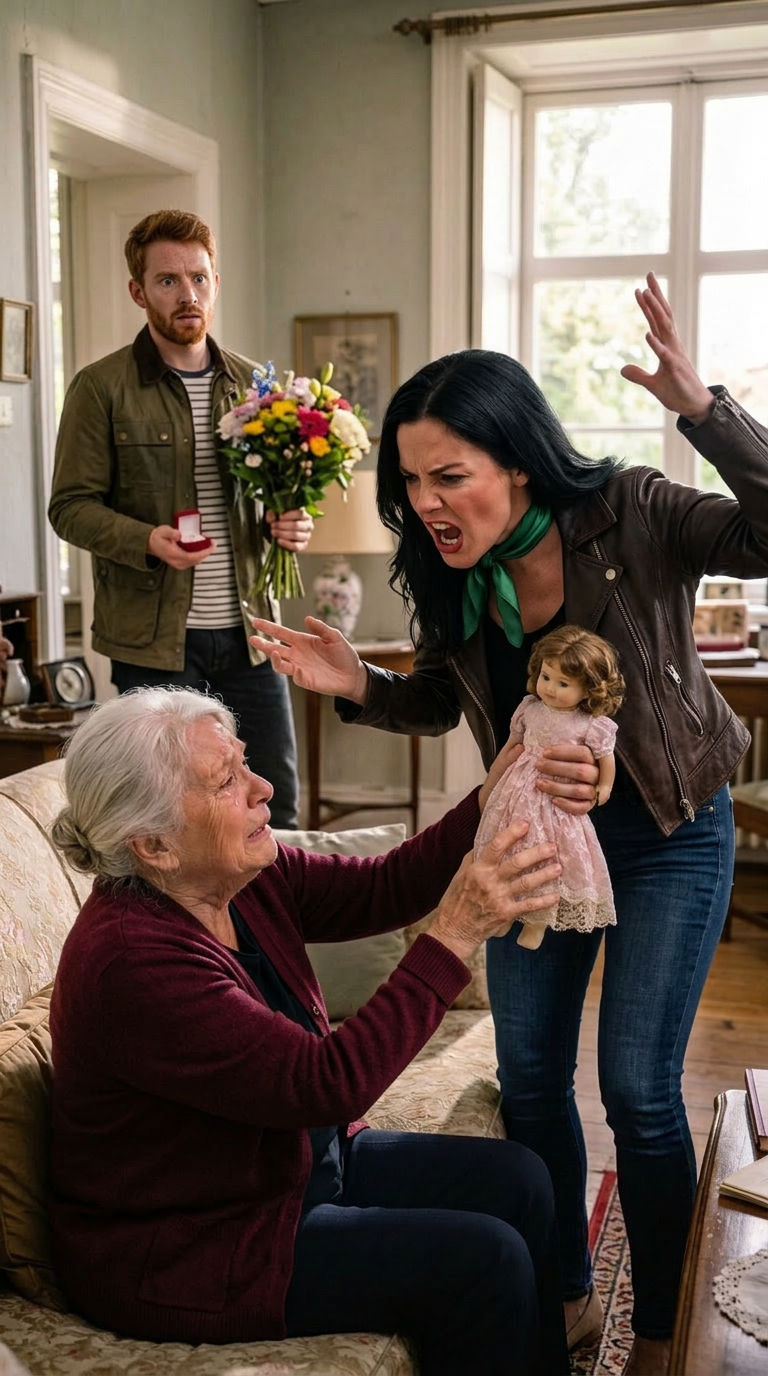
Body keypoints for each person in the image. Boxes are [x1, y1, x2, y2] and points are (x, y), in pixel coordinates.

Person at [248, 274, 768, 1376]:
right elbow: (442, 699)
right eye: (410, 479)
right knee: (531, 1076)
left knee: (635, 1086)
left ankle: (663, 1334)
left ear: (517, 462)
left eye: (451, 475)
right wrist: (360, 681)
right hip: (535, 842)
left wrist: (706, 409)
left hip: (670, 833)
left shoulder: (635, 509)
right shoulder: (455, 574)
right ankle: (568, 1296)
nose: (427, 499)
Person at [48, 686, 569, 1376]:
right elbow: (324, 1085)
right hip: (195, 1244)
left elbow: (385, 887)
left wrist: (488, 798)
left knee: (521, 1179)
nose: (263, 787)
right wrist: (456, 931)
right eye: (227, 780)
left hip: (281, 1170)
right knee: (485, 1260)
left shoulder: (238, 874)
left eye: (244, 762)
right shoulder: (131, 960)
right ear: (154, 845)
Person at [48, 209, 312, 828]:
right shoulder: (100, 388)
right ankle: (184, 931)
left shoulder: (257, 386)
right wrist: (147, 541)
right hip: (153, 644)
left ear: (216, 282)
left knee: (277, 806)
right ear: (138, 291)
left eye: (198, 277)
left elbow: (276, 496)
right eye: (168, 281)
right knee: (168, 817)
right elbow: (69, 508)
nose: (187, 294)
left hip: (252, 638)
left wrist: (291, 526)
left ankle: (270, 930)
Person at [475, 624, 624, 951]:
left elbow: (605, 759)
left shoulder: (590, 724)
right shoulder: (530, 708)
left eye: (563, 684)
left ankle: (538, 921)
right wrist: (494, 781)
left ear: (589, 690)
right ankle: (502, 915)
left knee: (549, 860)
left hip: (556, 802)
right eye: (546, 677)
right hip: (517, 792)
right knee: (508, 851)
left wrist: (605, 786)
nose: (551, 689)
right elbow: (511, 746)